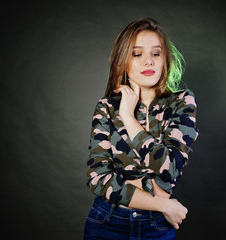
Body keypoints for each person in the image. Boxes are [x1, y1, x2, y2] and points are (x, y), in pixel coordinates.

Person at [84, 17, 199, 240]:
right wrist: (162, 204)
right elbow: (97, 179)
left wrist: (128, 117)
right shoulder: (107, 108)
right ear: (122, 62)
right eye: (137, 54)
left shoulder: (182, 103)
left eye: (156, 54)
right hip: (106, 222)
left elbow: (169, 169)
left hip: (156, 227)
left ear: (165, 59)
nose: (149, 61)